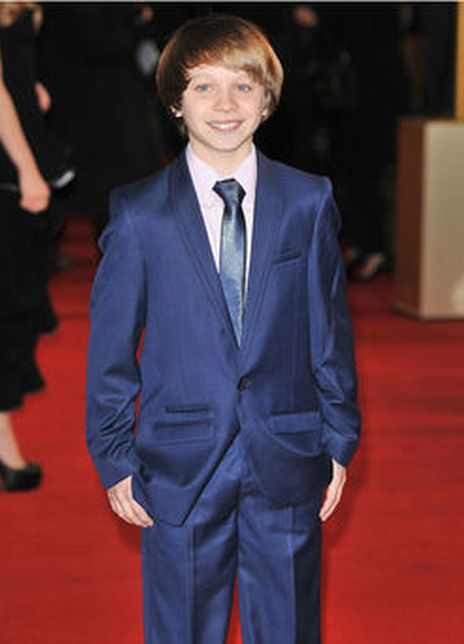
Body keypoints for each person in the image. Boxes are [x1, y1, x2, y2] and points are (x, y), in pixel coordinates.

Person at [86, 15, 360, 643]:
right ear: (175, 103)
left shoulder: (307, 201)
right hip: (177, 466)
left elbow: (329, 331)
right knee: (181, 627)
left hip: (288, 454)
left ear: (267, 100)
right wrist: (114, 456)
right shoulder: (139, 214)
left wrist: (339, 436)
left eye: (243, 85)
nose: (225, 104)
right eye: (203, 87)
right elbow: (110, 353)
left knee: (289, 626)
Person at [0, 3, 52, 492]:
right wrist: (28, 169)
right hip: (7, 171)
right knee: (9, 304)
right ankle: (4, 447)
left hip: (14, 155)